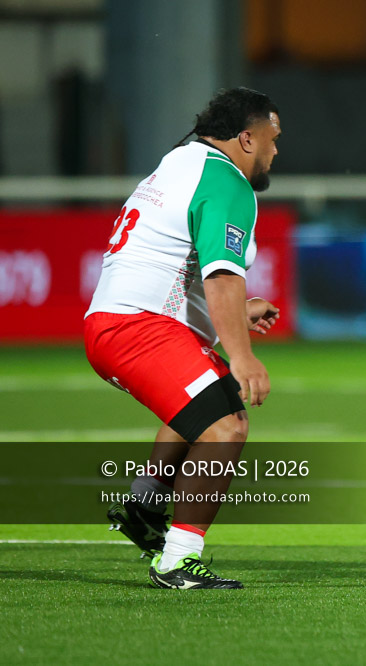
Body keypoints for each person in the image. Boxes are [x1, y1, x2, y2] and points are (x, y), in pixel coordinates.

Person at [85, 87, 282, 590]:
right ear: (245, 138)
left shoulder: (180, 162)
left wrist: (240, 313)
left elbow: (180, 269)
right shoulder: (227, 181)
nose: (275, 151)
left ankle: (144, 505)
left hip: (121, 321)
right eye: (271, 139)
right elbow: (219, 275)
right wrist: (243, 355)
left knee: (205, 404)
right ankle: (177, 558)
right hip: (137, 328)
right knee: (226, 427)